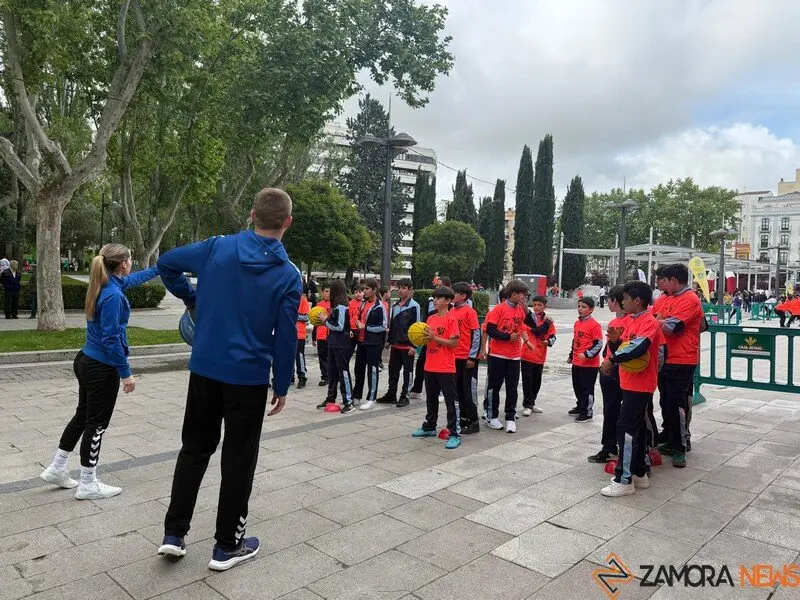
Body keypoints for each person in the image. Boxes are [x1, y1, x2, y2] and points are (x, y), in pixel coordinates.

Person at [155, 188, 301, 571]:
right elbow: (287, 336)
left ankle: (174, 534)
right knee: (238, 459)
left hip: (205, 367)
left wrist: (190, 298)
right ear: (287, 222)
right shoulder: (288, 275)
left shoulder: (217, 248)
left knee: (194, 449)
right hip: (249, 377)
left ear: (252, 214)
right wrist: (282, 384)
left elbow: (167, 262)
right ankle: (226, 545)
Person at [39, 244, 158, 499]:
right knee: (96, 425)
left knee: (83, 417)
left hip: (86, 360)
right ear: (124, 263)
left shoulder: (106, 285)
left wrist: (161, 269)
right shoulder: (113, 295)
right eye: (130, 260)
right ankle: (88, 483)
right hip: (101, 367)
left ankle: (57, 467)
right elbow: (112, 339)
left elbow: (135, 279)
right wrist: (125, 373)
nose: (132, 264)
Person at [600, 280, 664, 497]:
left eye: (626, 299)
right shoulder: (630, 321)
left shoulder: (649, 322)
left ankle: (624, 479)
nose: (623, 302)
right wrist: (617, 344)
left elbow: (639, 348)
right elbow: (627, 347)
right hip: (629, 382)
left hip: (641, 384)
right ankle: (638, 472)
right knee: (634, 429)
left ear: (637, 300)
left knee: (625, 429)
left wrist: (612, 359)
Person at [655, 263, 703, 468]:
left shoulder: (690, 299)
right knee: (665, 402)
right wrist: (660, 321)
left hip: (682, 359)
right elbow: (655, 321)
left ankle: (680, 446)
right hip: (664, 358)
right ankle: (668, 437)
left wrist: (659, 322)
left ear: (674, 281)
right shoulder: (664, 298)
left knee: (678, 404)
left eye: (664, 280)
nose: (661, 284)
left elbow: (671, 328)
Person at [411, 285, 462, 449]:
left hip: (445, 367)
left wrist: (435, 337)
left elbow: (454, 343)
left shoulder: (451, 319)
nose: (434, 300)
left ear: (447, 301)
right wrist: (419, 339)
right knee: (431, 399)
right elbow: (426, 339)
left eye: (438, 298)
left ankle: (455, 433)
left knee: (450, 401)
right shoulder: (431, 319)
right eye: (434, 297)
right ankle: (430, 426)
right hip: (429, 365)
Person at [484, 279, 529, 433]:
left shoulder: (522, 310)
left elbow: (528, 326)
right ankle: (491, 416)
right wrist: (507, 337)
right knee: (493, 387)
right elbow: (491, 330)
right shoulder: (498, 310)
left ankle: (510, 417)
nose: (524, 298)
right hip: (497, 355)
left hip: (515, 356)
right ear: (514, 294)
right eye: (522, 295)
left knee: (512, 388)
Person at [588, 285, 626, 463]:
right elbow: (608, 348)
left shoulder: (633, 322)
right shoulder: (613, 323)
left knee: (625, 411)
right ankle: (610, 446)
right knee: (610, 409)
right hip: (609, 370)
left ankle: (631, 447)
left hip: (623, 370)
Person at [378, 278, 420, 408]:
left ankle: (404, 396)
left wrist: (414, 346)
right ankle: (391, 394)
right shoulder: (395, 306)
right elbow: (392, 324)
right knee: (393, 371)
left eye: (403, 288)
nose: (400, 290)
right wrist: (389, 341)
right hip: (395, 345)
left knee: (407, 372)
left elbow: (417, 327)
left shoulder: (414, 306)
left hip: (407, 346)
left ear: (410, 290)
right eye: (399, 288)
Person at [317, 280, 355, 413]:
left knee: (343, 372)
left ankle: (349, 401)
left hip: (341, 344)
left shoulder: (341, 307)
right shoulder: (337, 307)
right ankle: (330, 398)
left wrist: (325, 321)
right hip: (333, 343)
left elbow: (339, 326)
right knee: (332, 372)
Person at [409, 277, 449, 399]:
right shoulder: (430, 302)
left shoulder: (450, 307)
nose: (437, 288)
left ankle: (442, 391)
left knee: (442, 367)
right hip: (428, 337)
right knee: (421, 363)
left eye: (441, 286)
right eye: (437, 286)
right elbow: (424, 320)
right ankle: (417, 388)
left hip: (442, 340)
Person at [451, 282, 481, 434]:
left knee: (469, 390)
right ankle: (462, 418)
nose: (451, 295)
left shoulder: (470, 312)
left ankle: (474, 421)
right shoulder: (451, 311)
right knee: (458, 390)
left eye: (454, 293)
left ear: (463, 296)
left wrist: (472, 357)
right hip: (454, 358)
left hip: (467, 359)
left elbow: (476, 334)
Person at [352, 279, 387, 411]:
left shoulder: (380, 306)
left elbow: (383, 326)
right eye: (364, 289)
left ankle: (371, 398)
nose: (364, 291)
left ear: (374, 290)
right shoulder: (363, 304)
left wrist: (365, 327)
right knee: (358, 370)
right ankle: (356, 396)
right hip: (361, 342)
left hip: (373, 343)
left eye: (367, 289)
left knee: (372, 371)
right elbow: (360, 320)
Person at [568, 296, 603, 423]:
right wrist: (571, 355)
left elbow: (598, 344)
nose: (580, 309)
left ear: (591, 309)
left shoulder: (594, 325)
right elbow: (575, 340)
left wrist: (588, 354)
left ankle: (587, 412)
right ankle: (580, 406)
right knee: (577, 386)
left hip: (589, 365)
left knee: (587, 389)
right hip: (577, 362)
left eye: (584, 307)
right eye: (579, 306)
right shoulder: (577, 323)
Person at [520, 295, 556, 416]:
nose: (536, 307)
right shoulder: (529, 318)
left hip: (540, 356)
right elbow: (536, 331)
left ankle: (532, 402)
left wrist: (549, 342)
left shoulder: (548, 321)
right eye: (534, 305)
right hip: (527, 354)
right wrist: (546, 323)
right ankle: (527, 405)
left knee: (536, 381)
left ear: (545, 306)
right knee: (527, 381)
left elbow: (553, 336)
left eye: (539, 305)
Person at [315, 284, 331, 386]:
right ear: (322, 292)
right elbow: (315, 322)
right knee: (322, 357)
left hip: (331, 334)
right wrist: (313, 337)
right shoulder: (318, 306)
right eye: (326, 291)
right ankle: (325, 376)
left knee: (331, 357)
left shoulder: (335, 305)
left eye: (330, 291)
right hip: (320, 335)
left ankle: (333, 375)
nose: (328, 293)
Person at [294, 292, 310, 388]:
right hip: (287, 333)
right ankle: (290, 377)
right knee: (287, 357)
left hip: (299, 334)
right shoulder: (286, 298)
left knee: (299, 356)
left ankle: (302, 377)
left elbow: (306, 317)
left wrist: (294, 315)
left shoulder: (303, 300)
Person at [348, 284, 364, 356]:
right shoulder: (350, 303)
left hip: (361, 330)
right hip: (352, 330)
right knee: (349, 351)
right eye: (356, 292)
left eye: (360, 292)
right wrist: (349, 329)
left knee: (361, 353)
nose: (358, 294)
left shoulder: (365, 303)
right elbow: (348, 317)